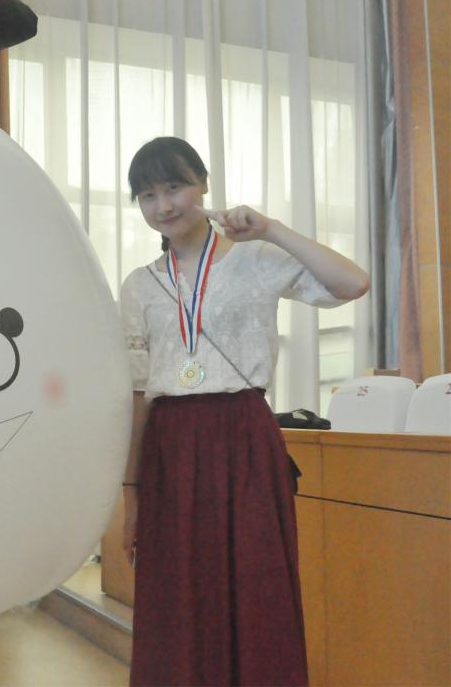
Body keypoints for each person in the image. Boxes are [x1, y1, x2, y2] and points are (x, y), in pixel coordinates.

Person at [118, 136, 368, 686]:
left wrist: (271, 229)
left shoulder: (255, 258)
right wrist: (131, 493)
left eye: (175, 187)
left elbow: (353, 283)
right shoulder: (139, 286)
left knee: (257, 581)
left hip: (243, 436)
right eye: (148, 195)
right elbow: (137, 394)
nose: (164, 205)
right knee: (177, 588)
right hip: (169, 445)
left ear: (204, 184)